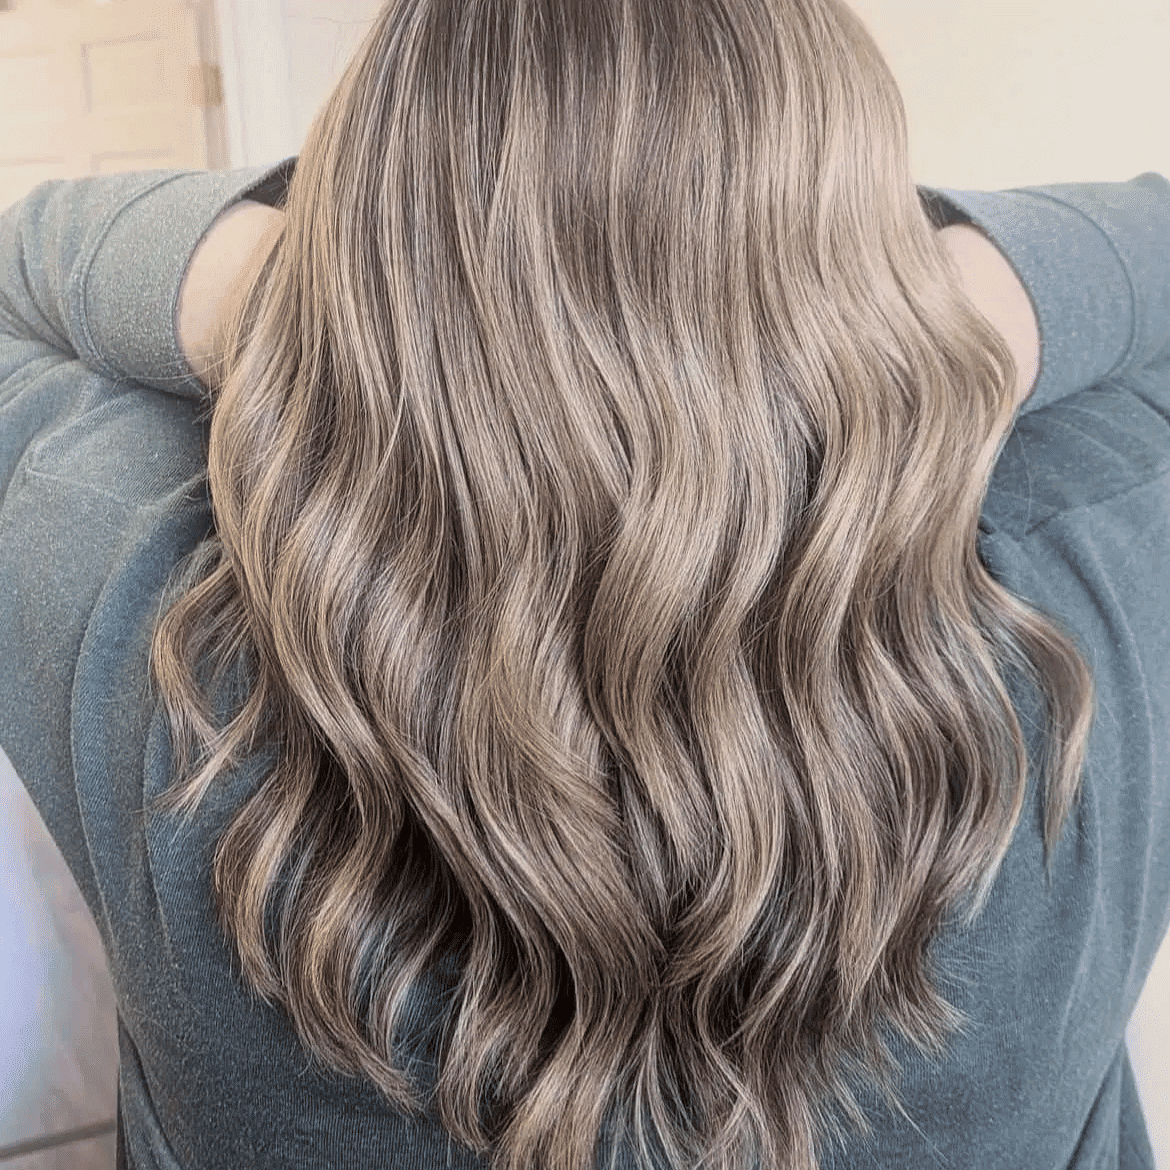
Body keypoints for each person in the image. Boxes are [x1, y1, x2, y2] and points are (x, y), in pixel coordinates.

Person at [1, 0, 1167, 1167]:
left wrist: (283, 311)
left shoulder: (133, 600)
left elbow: (19, 260)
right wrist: (956, 318)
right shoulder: (1096, 571)